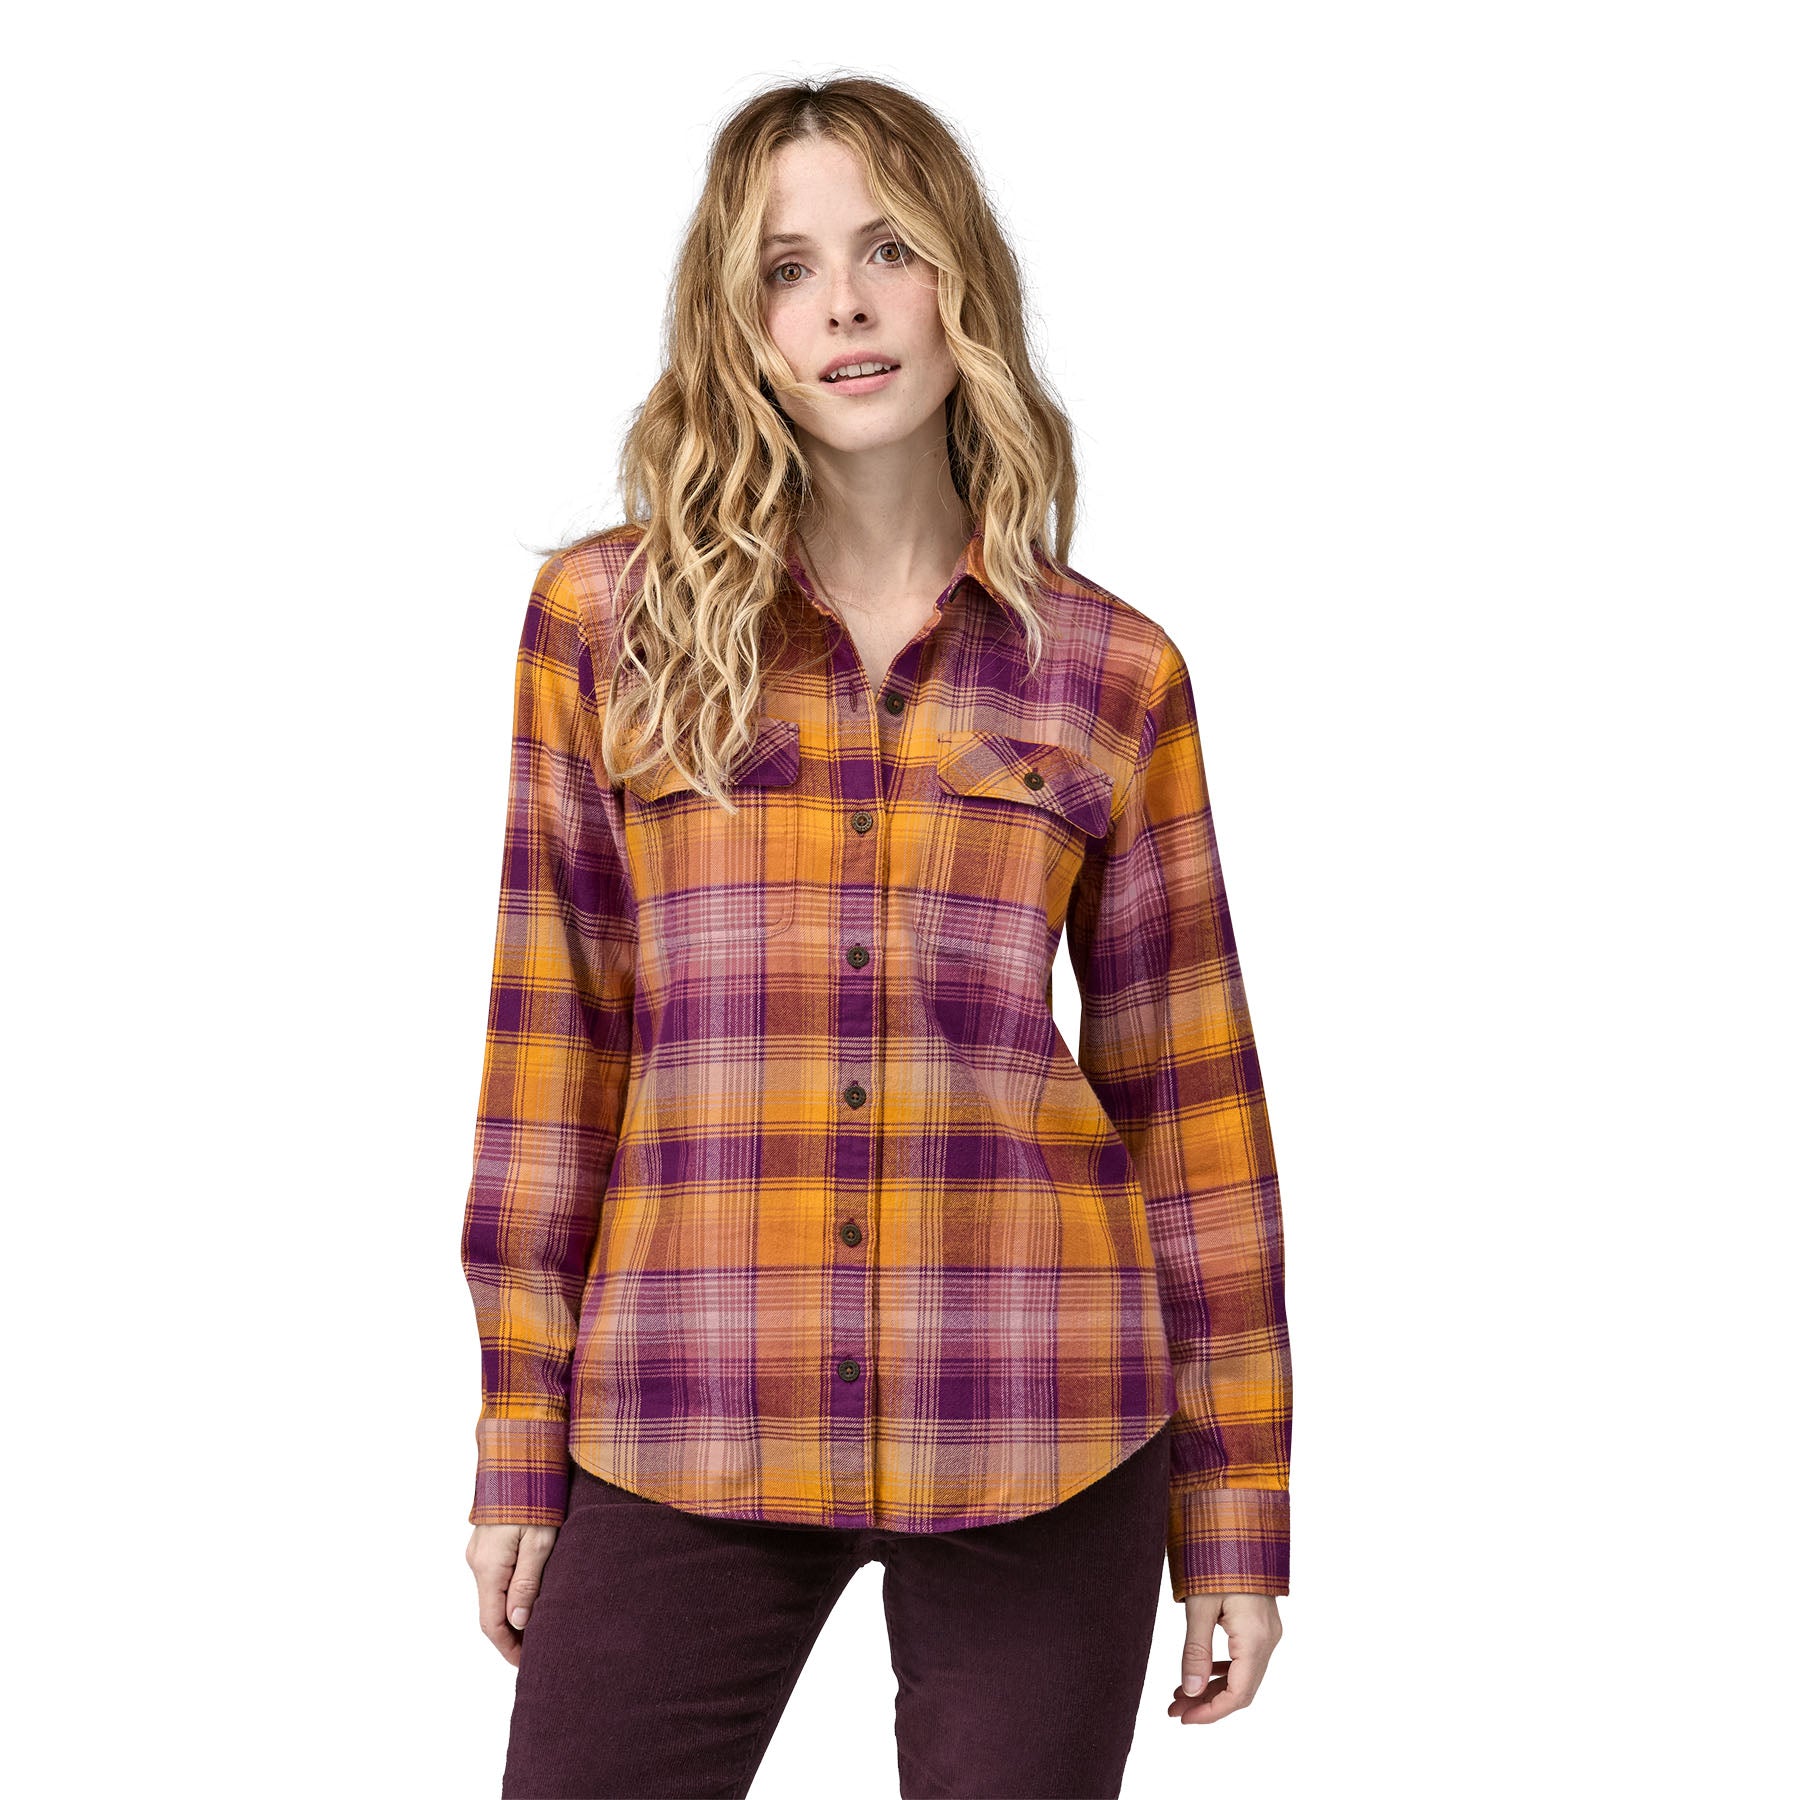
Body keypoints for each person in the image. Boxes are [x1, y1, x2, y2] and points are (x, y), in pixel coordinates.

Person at [460, 74, 1292, 1800]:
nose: (843, 304)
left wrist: (1237, 1499)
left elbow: (1191, 1108)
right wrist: (520, 1432)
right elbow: (555, 1055)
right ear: (739, 322)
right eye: (788, 268)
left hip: (1042, 1410)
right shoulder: (604, 629)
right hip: (689, 1402)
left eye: (887, 250)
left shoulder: (1112, 672)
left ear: (958, 282)